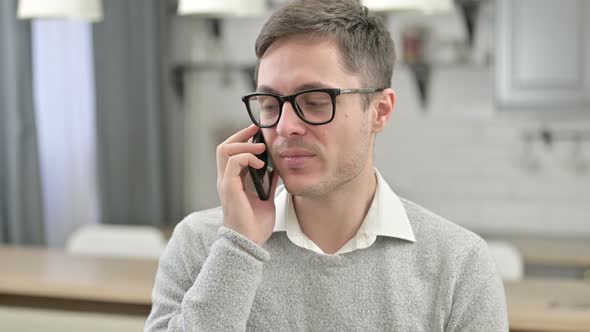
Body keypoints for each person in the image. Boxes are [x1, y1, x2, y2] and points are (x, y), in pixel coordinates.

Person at [145, 0, 508, 331]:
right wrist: (239, 247)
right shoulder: (202, 243)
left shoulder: (460, 265)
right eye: (270, 104)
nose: (286, 126)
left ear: (380, 110)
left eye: (316, 101)